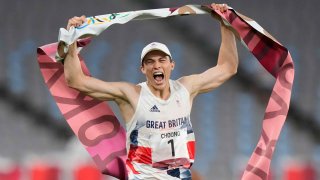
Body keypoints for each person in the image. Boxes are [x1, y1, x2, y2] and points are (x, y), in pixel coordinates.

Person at [63, 3, 238, 180]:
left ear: (171, 65)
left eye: (162, 60)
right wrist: (72, 39)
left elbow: (227, 68)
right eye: (150, 62)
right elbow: (76, 80)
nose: (156, 65)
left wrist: (226, 23)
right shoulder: (131, 94)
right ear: (142, 69)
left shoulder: (185, 88)